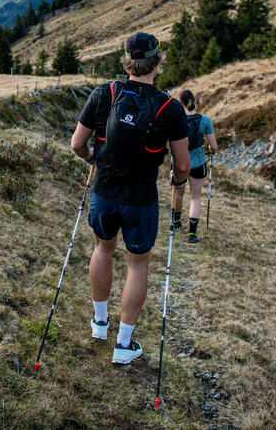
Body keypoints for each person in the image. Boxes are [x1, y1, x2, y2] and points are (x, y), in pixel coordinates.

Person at [70, 32, 190, 365]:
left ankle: (99, 323)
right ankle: (123, 344)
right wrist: (177, 181)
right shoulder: (170, 108)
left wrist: (93, 158)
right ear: (157, 61)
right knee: (137, 265)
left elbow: (77, 144)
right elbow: (182, 165)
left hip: (105, 191)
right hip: (141, 198)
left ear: (127, 61)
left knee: (102, 249)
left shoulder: (104, 94)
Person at [171, 89, 219, 243]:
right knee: (195, 197)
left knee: (179, 192)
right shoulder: (205, 120)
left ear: (180, 103)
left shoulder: (176, 120)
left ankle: (176, 221)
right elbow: (214, 147)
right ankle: (192, 233)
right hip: (198, 163)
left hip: (180, 162)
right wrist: (211, 150)